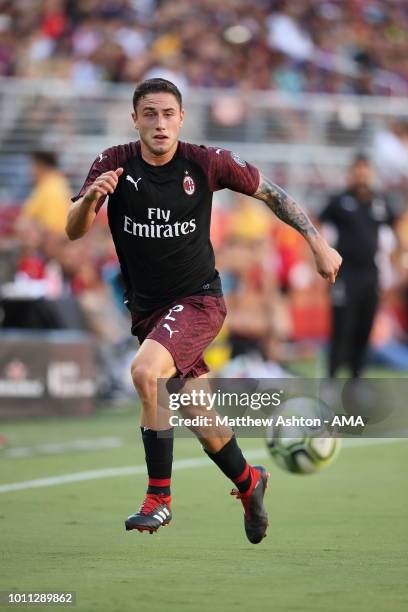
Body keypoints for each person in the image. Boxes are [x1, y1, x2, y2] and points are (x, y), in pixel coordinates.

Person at [66, 78, 341, 544]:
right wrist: (93, 196)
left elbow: (272, 194)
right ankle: (251, 482)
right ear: (135, 120)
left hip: (199, 300)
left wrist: (316, 242)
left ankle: (159, 500)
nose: (159, 123)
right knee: (199, 415)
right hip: (149, 311)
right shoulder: (112, 163)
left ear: (181, 118)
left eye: (168, 113)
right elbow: (74, 231)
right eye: (149, 114)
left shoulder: (206, 161)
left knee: (146, 373)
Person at [319, 154, 397, 378]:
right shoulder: (339, 202)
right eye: (357, 170)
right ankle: (331, 378)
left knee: (365, 328)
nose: (361, 175)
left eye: (365, 170)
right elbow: (318, 227)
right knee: (342, 328)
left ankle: (356, 380)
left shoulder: (380, 202)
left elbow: (395, 229)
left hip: (370, 275)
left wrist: (393, 265)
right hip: (345, 275)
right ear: (351, 173)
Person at [18, 151, 71, 235]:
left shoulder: (52, 190)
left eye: (32, 166)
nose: (29, 171)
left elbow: (51, 228)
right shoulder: (49, 185)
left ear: (41, 166)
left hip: (47, 243)